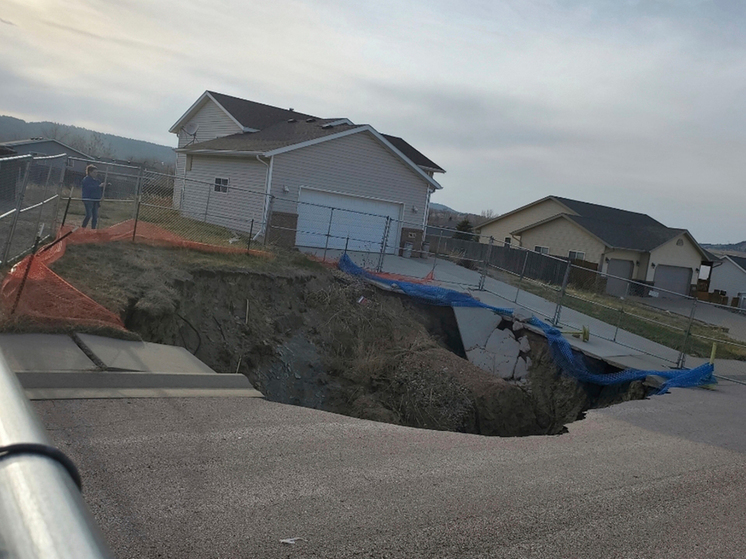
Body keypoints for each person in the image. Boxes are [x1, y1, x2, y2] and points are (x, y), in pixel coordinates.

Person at [81, 164, 103, 229]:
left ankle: (93, 229)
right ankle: (83, 228)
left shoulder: (96, 180)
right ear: (90, 172)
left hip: (95, 200)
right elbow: (89, 188)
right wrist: (98, 186)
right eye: (94, 172)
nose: (96, 174)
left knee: (95, 216)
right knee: (88, 215)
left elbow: (99, 186)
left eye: (97, 172)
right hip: (88, 199)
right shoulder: (86, 179)